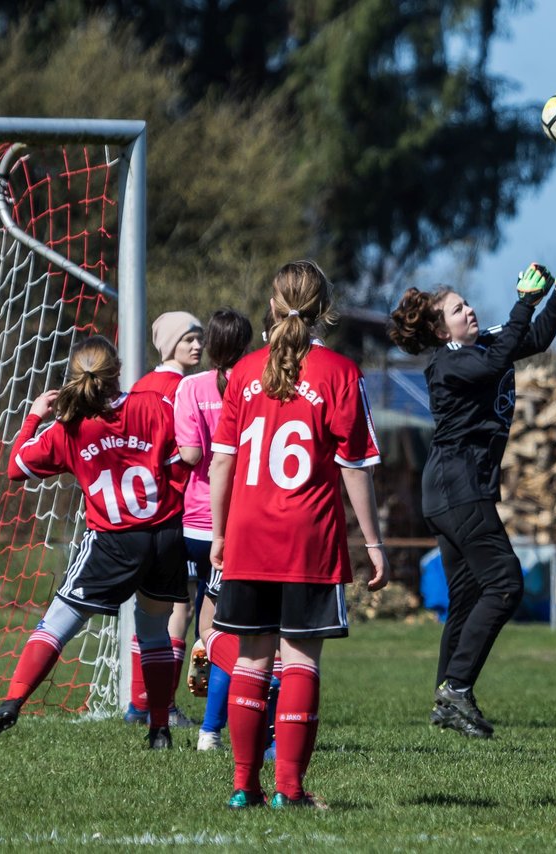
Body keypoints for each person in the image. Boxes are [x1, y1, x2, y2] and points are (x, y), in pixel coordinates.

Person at [387, 256, 556, 739]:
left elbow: (534, 338)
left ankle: (447, 698)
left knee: (465, 597)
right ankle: (457, 687)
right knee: (505, 583)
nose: (470, 310)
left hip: (454, 490)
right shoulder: (450, 362)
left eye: (468, 303)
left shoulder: (478, 346)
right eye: (459, 309)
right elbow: (496, 361)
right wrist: (524, 301)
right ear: (441, 330)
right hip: (456, 490)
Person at [210, 260, 387, 809]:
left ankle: (243, 786)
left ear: (272, 303)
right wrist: (375, 544)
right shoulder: (339, 371)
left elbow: (222, 464)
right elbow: (356, 466)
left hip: (247, 533)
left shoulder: (242, 372)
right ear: (324, 310)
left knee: (250, 660)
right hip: (307, 538)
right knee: (301, 661)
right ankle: (289, 789)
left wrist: (219, 533)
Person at [0, 335, 189, 749]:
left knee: (56, 625)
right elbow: (184, 462)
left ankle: (12, 703)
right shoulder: (154, 406)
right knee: (155, 631)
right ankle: (159, 726)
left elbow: (16, 468)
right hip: (164, 537)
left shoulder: (69, 426)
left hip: (112, 541)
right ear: (118, 371)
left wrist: (34, 416)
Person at [171, 308, 254, 751]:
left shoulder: (190, 387)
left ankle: (158, 708)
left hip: (193, 523)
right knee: (226, 629)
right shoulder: (255, 386)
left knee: (177, 612)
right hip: (236, 525)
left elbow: (189, 454)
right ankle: (210, 730)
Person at [124, 310, 204, 728]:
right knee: (180, 606)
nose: (197, 345)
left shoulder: (139, 387)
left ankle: (141, 702)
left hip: (141, 512)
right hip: (181, 509)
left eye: (199, 338)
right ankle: (161, 705)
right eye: (189, 338)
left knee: (150, 608)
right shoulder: (186, 388)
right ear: (170, 342)